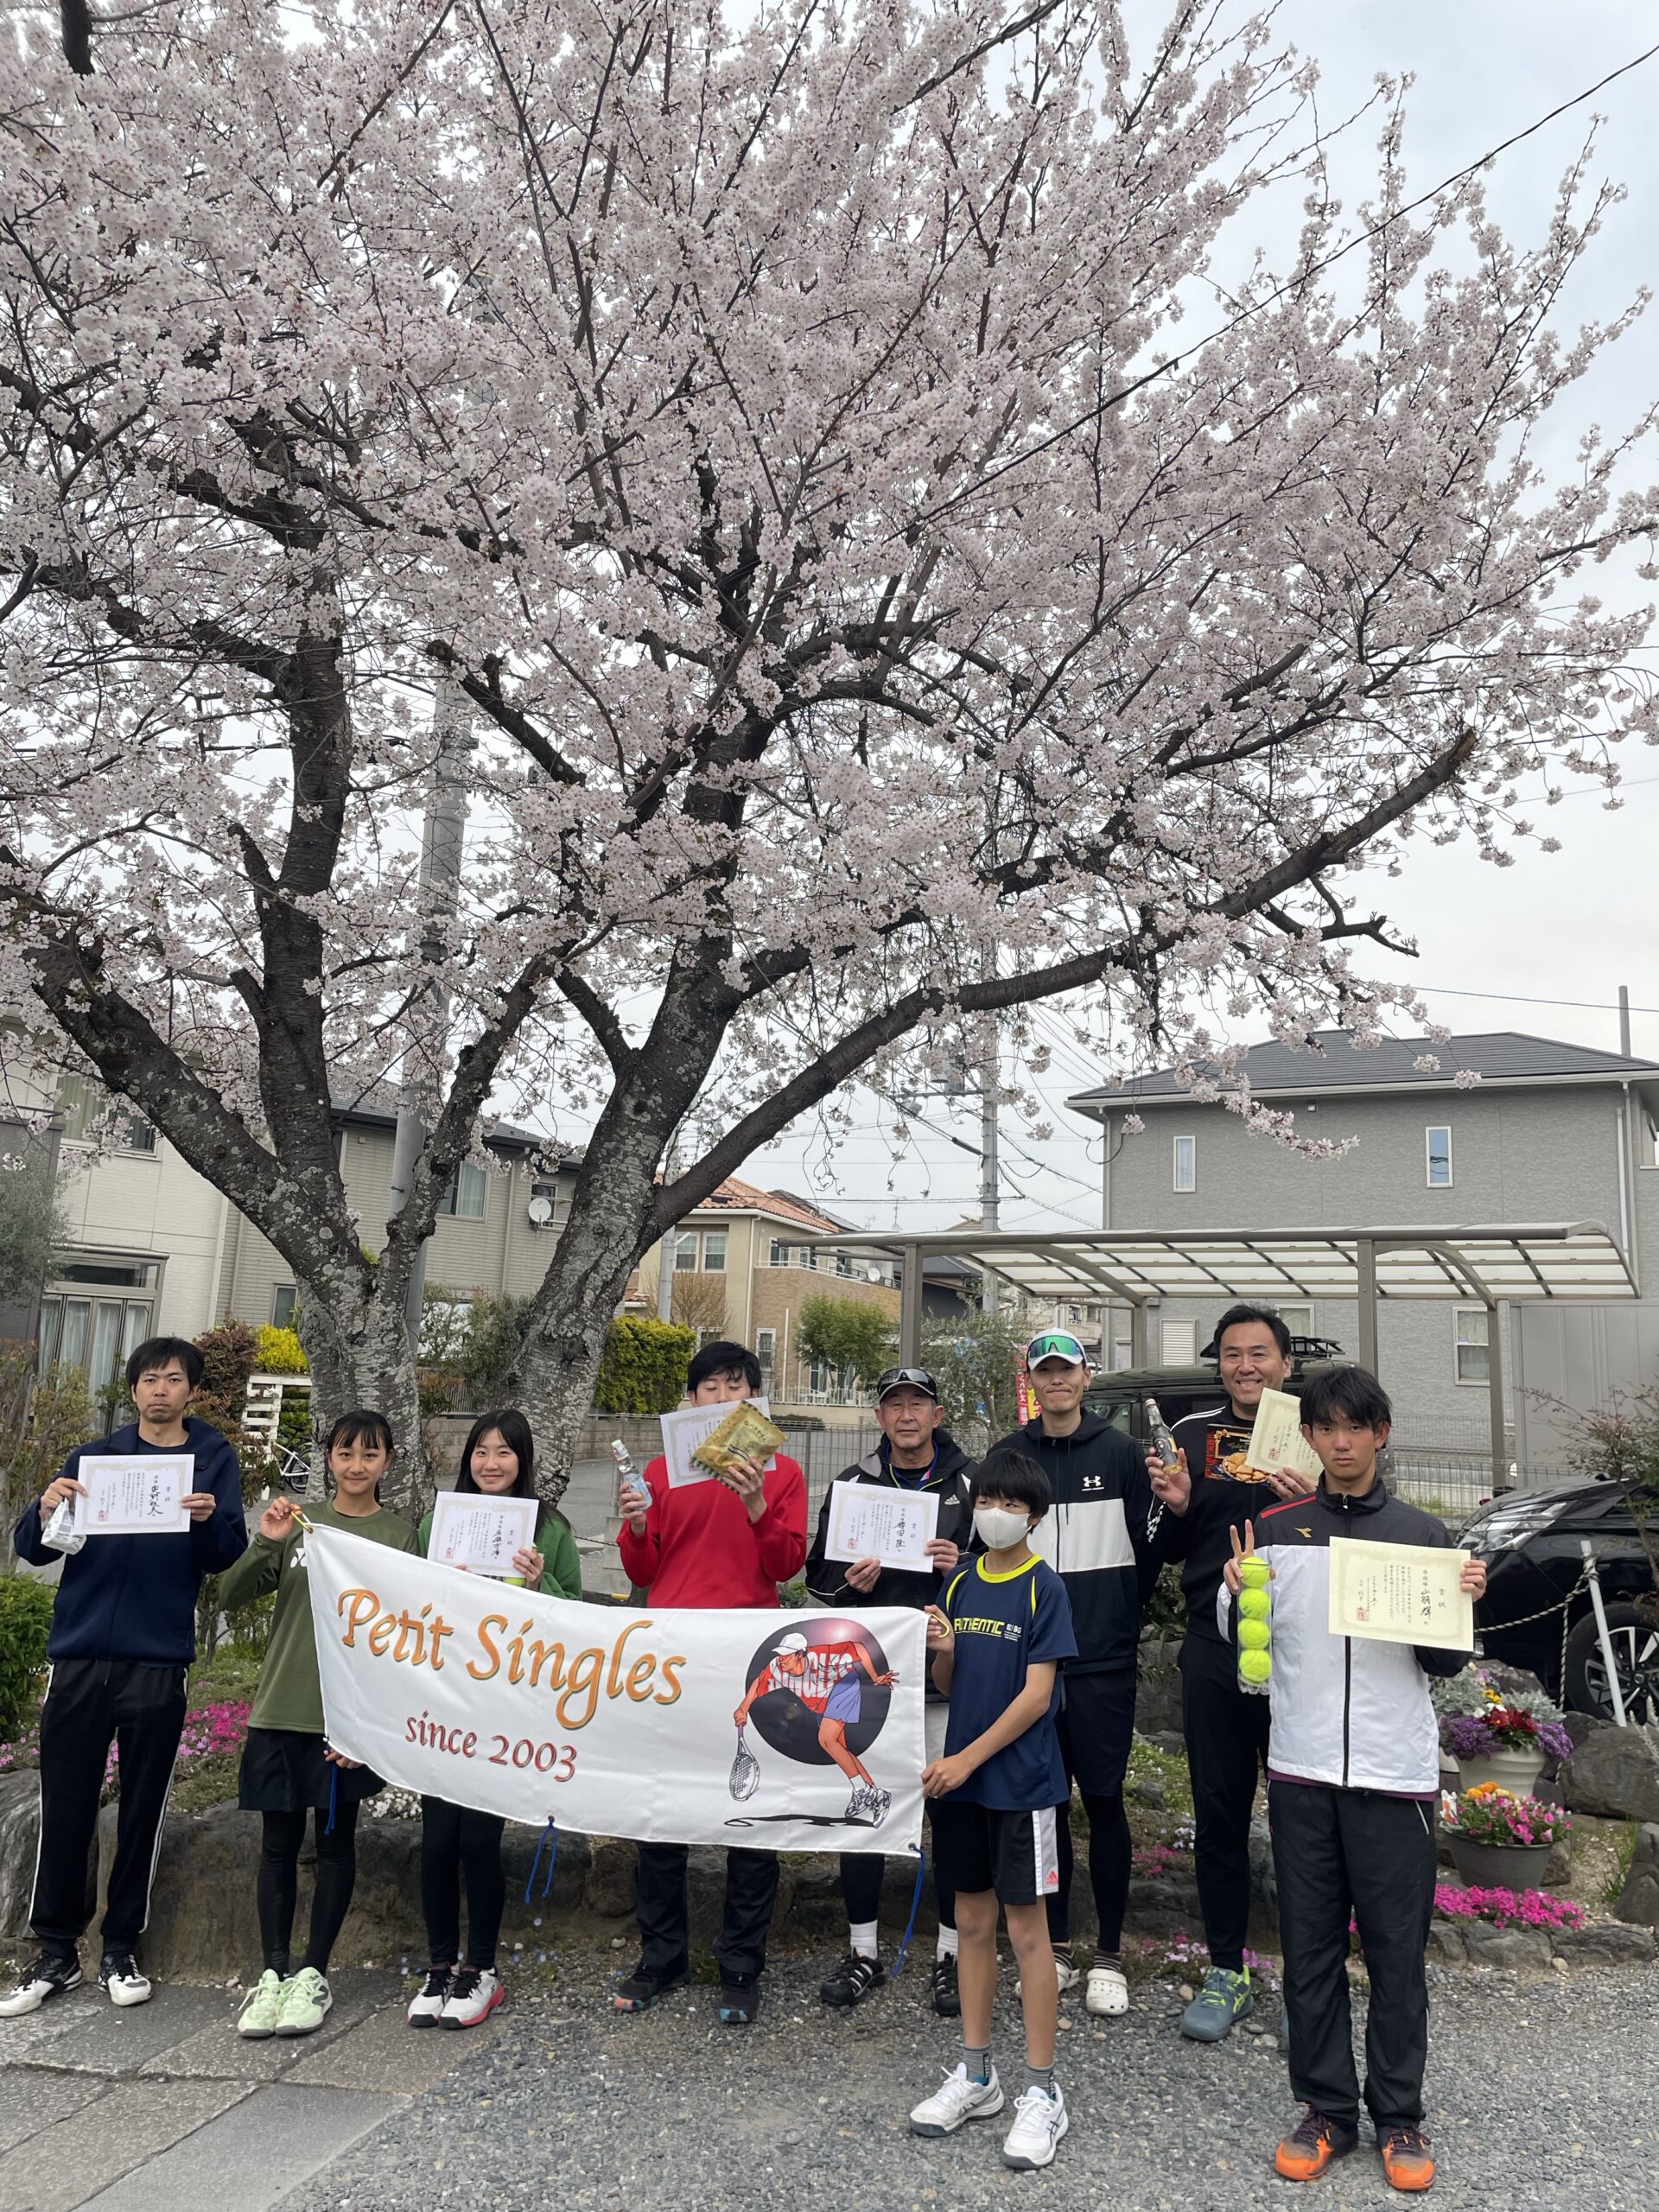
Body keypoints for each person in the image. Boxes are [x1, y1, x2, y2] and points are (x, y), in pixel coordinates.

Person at [1219, 1367, 1486, 2195]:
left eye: (1356, 1428)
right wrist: (1234, 1597)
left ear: (1381, 1434)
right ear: (1308, 1437)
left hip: (1394, 1775)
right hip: (1301, 1770)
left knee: (1397, 1956)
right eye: (1327, 1428)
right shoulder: (1274, 1529)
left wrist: (1461, 1600)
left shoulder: (1421, 1533)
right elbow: (1249, 1651)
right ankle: (1327, 2109)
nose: (1341, 1442)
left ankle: (1399, 2115)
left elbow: (1445, 1663)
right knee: (1309, 1950)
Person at [0, 1336, 246, 2017]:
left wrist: (205, 1521)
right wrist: (45, 1508)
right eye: (149, 1379)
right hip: (80, 1656)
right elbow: (36, 1550)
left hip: (157, 1658)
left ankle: (120, 1947)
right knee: (65, 1804)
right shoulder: (94, 1459)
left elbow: (226, 1552)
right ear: (133, 1389)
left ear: (192, 1390)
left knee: (142, 1808)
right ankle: (54, 1952)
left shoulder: (212, 1460)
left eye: (173, 1379)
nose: (160, 1390)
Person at [613, 1338, 807, 2024]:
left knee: (750, 1809)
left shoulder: (781, 1471)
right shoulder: (662, 1471)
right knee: (662, 1808)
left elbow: (786, 1567)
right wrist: (637, 1525)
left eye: (736, 1386)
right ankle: (661, 1956)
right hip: (673, 1652)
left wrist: (756, 1505)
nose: (723, 1398)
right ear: (691, 1400)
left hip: (750, 1652)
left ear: (754, 1397)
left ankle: (741, 1962)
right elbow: (643, 1572)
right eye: (710, 1388)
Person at [219, 1409, 420, 2041]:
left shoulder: (399, 1537)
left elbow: (408, 1641)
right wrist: (266, 1540)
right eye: (345, 1453)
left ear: (388, 1462)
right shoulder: (299, 1523)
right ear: (328, 1458)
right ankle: (272, 1974)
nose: (356, 1466)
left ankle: (314, 1973)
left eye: (370, 1454)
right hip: (282, 1707)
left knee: (335, 1847)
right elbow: (230, 1596)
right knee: (277, 1847)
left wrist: (373, 1728)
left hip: (345, 1720)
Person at [1147, 1303, 1317, 2041]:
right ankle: (1227, 1967)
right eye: (1232, 1355)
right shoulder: (1192, 1435)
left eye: (1260, 1353)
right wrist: (1179, 1507)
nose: (1246, 1366)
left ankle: (1312, 1976)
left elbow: (1355, 1530)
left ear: (1285, 1363)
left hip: (1301, 1651)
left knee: (1305, 1814)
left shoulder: (1318, 1431)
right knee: (1219, 1810)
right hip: (1214, 1645)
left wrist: (1310, 1503)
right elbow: (1161, 1546)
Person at [908, 1452, 1077, 2173]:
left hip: (1019, 1785)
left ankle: (1043, 2091)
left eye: (1010, 1504)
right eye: (986, 1501)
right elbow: (950, 1682)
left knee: (1028, 1934)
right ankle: (978, 2075)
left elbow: (1037, 1697)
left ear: (1034, 1517)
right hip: (963, 1784)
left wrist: (967, 1760)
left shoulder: (1045, 1587)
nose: (994, 1514)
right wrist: (944, 1651)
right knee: (971, 1923)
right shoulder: (961, 1580)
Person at [803, 1364, 976, 2015]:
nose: (907, 1415)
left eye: (918, 1404)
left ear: (937, 1415)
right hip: (865, 1679)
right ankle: (863, 1952)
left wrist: (963, 1569)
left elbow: (1005, 1574)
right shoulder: (852, 1485)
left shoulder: (970, 1482)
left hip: (942, 1682)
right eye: (894, 1405)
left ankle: (952, 1956)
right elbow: (817, 1582)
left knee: (952, 1820)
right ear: (879, 1417)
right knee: (863, 1813)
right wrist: (851, 1583)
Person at [988, 1328, 1151, 2018]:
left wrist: (1114, 1617)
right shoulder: (1007, 1457)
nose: (1056, 1381)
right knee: (1044, 1808)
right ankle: (1052, 1947)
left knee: (1105, 1801)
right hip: (1029, 1666)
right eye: (1044, 1371)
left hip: (1102, 1661)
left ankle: (1109, 1954)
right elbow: (990, 1555)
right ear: (1032, 1381)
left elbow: (1148, 1552)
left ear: (1087, 1377)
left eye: (1068, 1370)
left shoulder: (1122, 1454)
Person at [409, 1408, 584, 2031]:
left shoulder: (550, 1528)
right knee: (437, 1840)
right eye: (480, 1450)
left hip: (505, 1705)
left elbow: (575, 1616)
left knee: (479, 1839)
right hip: (443, 1699)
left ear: (523, 1460)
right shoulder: (437, 1522)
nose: (490, 1463)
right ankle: (438, 1966)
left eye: (504, 1452)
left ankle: (480, 1968)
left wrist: (539, 1585)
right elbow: (406, 1604)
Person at [734, 1630, 896, 1818]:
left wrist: (875, 1677)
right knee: (839, 1747)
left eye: (786, 1655)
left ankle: (861, 1791)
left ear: (799, 1654)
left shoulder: (821, 1657)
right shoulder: (777, 1668)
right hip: (820, 1704)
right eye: (780, 1655)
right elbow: (758, 1684)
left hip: (843, 1686)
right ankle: (876, 1795)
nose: (781, 1660)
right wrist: (743, 1708)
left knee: (826, 1739)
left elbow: (858, 1648)